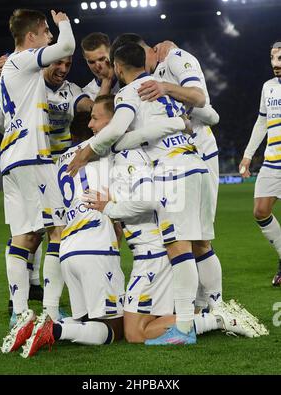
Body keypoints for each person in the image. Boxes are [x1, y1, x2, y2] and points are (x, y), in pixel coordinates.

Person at [83, 95, 268, 343]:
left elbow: (149, 200)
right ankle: (208, 313)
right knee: (149, 322)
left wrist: (109, 208)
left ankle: (218, 318)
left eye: (95, 118)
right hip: (149, 254)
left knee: (135, 333)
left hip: (152, 257)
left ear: (117, 121)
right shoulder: (126, 153)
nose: (91, 125)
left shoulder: (129, 157)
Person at [108, 33, 222, 312]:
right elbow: (211, 115)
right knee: (202, 244)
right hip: (195, 162)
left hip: (175, 169)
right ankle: (215, 309)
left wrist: (112, 143)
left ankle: (184, 321)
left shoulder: (165, 68)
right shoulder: (158, 85)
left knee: (178, 245)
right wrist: (179, 121)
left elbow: (200, 97)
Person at [0, 54, 93, 321]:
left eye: (68, 64)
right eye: (59, 62)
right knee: (48, 232)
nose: (63, 69)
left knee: (32, 234)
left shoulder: (70, 91)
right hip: (36, 162)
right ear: (43, 61)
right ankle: (45, 307)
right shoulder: (27, 84)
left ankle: (25, 303)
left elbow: (86, 105)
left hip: (51, 166)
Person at [19, 97, 126, 358]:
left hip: (68, 250)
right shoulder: (109, 148)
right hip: (96, 246)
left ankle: (42, 327)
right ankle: (53, 331)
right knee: (116, 328)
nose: (93, 124)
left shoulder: (60, 163)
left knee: (85, 320)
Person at [0, 8, 75, 354]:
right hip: (33, 157)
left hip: (12, 159)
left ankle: (19, 313)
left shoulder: (8, 73)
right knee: (57, 230)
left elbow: (0, 119)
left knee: (25, 237)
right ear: (32, 36)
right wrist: (62, 23)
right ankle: (50, 310)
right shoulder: (24, 59)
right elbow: (65, 47)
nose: (49, 37)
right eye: (45, 32)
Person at [239, 41, 281, 286]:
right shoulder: (268, 88)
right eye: (273, 57)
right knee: (260, 211)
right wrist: (247, 155)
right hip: (272, 161)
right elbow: (261, 123)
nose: (276, 63)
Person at [81, 32, 120, 99]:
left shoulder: (132, 80)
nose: (97, 66)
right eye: (91, 62)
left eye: (101, 59)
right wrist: (107, 79)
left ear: (111, 54)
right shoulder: (87, 93)